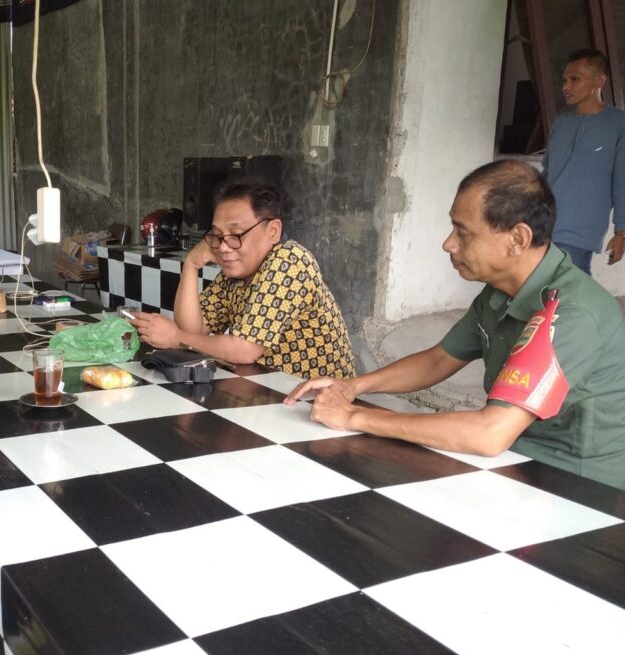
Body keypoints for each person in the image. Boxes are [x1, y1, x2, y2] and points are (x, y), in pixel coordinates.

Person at [286, 160, 625, 490]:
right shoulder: (499, 292)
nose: (448, 244)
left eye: (463, 232)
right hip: (516, 459)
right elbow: (439, 359)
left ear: (518, 239)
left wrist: (353, 417)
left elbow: (489, 433)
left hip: (579, 487)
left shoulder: (572, 312)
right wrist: (353, 387)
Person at [129, 177, 355, 378]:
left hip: (318, 400)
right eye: (218, 235)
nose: (223, 247)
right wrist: (191, 265)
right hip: (268, 390)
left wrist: (175, 338)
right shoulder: (237, 272)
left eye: (236, 234)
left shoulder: (289, 261)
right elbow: (194, 330)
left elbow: (244, 350)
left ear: (273, 231)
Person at [543, 48, 625, 275]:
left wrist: (621, 232)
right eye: (565, 80)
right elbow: (546, 174)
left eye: (575, 79)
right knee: (541, 291)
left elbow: (622, 181)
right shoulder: (561, 124)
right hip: (542, 226)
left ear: (599, 81)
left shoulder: (619, 125)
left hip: (579, 233)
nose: (566, 87)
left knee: (568, 290)